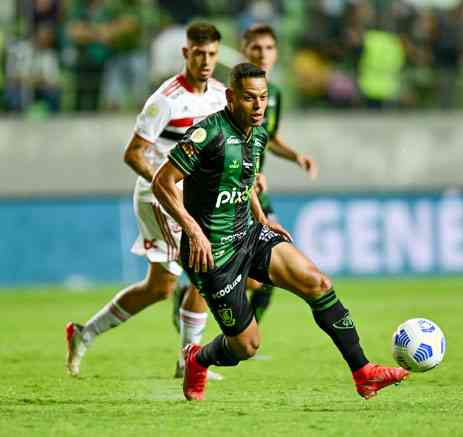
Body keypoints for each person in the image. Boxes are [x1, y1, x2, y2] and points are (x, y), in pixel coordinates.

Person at [151, 62, 409, 401]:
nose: (258, 106)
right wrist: (193, 231)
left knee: (317, 282)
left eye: (262, 97)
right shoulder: (208, 133)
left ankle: (363, 373)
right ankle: (198, 358)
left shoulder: (257, 134)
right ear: (230, 97)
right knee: (247, 346)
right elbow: (162, 182)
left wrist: (263, 217)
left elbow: (244, 183)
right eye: (248, 98)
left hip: (250, 233)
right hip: (214, 253)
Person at [65, 22, 226, 381]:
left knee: (160, 288)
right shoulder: (165, 100)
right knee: (206, 270)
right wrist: (167, 184)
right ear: (186, 53)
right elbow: (133, 153)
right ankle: (190, 361)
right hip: (160, 196)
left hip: (193, 197)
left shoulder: (219, 95)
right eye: (198, 53)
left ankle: (83, 333)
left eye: (212, 54)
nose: (205, 60)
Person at [240, 24, 319, 324]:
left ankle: (248, 337)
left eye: (269, 48)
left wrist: (296, 156)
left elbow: (269, 138)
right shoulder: (228, 91)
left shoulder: (274, 94)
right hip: (234, 188)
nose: (263, 54)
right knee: (254, 276)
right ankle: (192, 296)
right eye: (256, 48)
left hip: (259, 191)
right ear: (244, 49)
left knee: (273, 264)